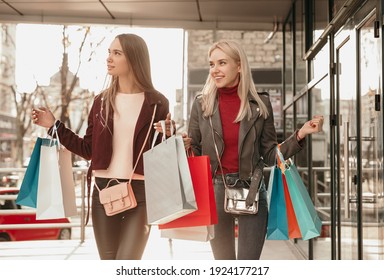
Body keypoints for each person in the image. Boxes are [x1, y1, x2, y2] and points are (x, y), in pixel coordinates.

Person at [31, 33, 172, 260]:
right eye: (109, 52)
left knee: (127, 263)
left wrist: (169, 134)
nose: (109, 58)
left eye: (117, 53)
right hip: (102, 191)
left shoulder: (157, 102)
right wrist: (53, 126)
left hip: (141, 194)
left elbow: (161, 152)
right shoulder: (101, 101)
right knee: (108, 264)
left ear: (134, 59)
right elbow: (88, 149)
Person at [184, 40, 324, 260]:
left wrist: (300, 135)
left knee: (248, 266)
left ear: (239, 66)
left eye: (222, 63)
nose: (215, 70)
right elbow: (195, 149)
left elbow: (269, 155)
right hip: (214, 188)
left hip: (251, 187)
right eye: (212, 64)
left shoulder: (260, 104)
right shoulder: (202, 104)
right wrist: (184, 145)